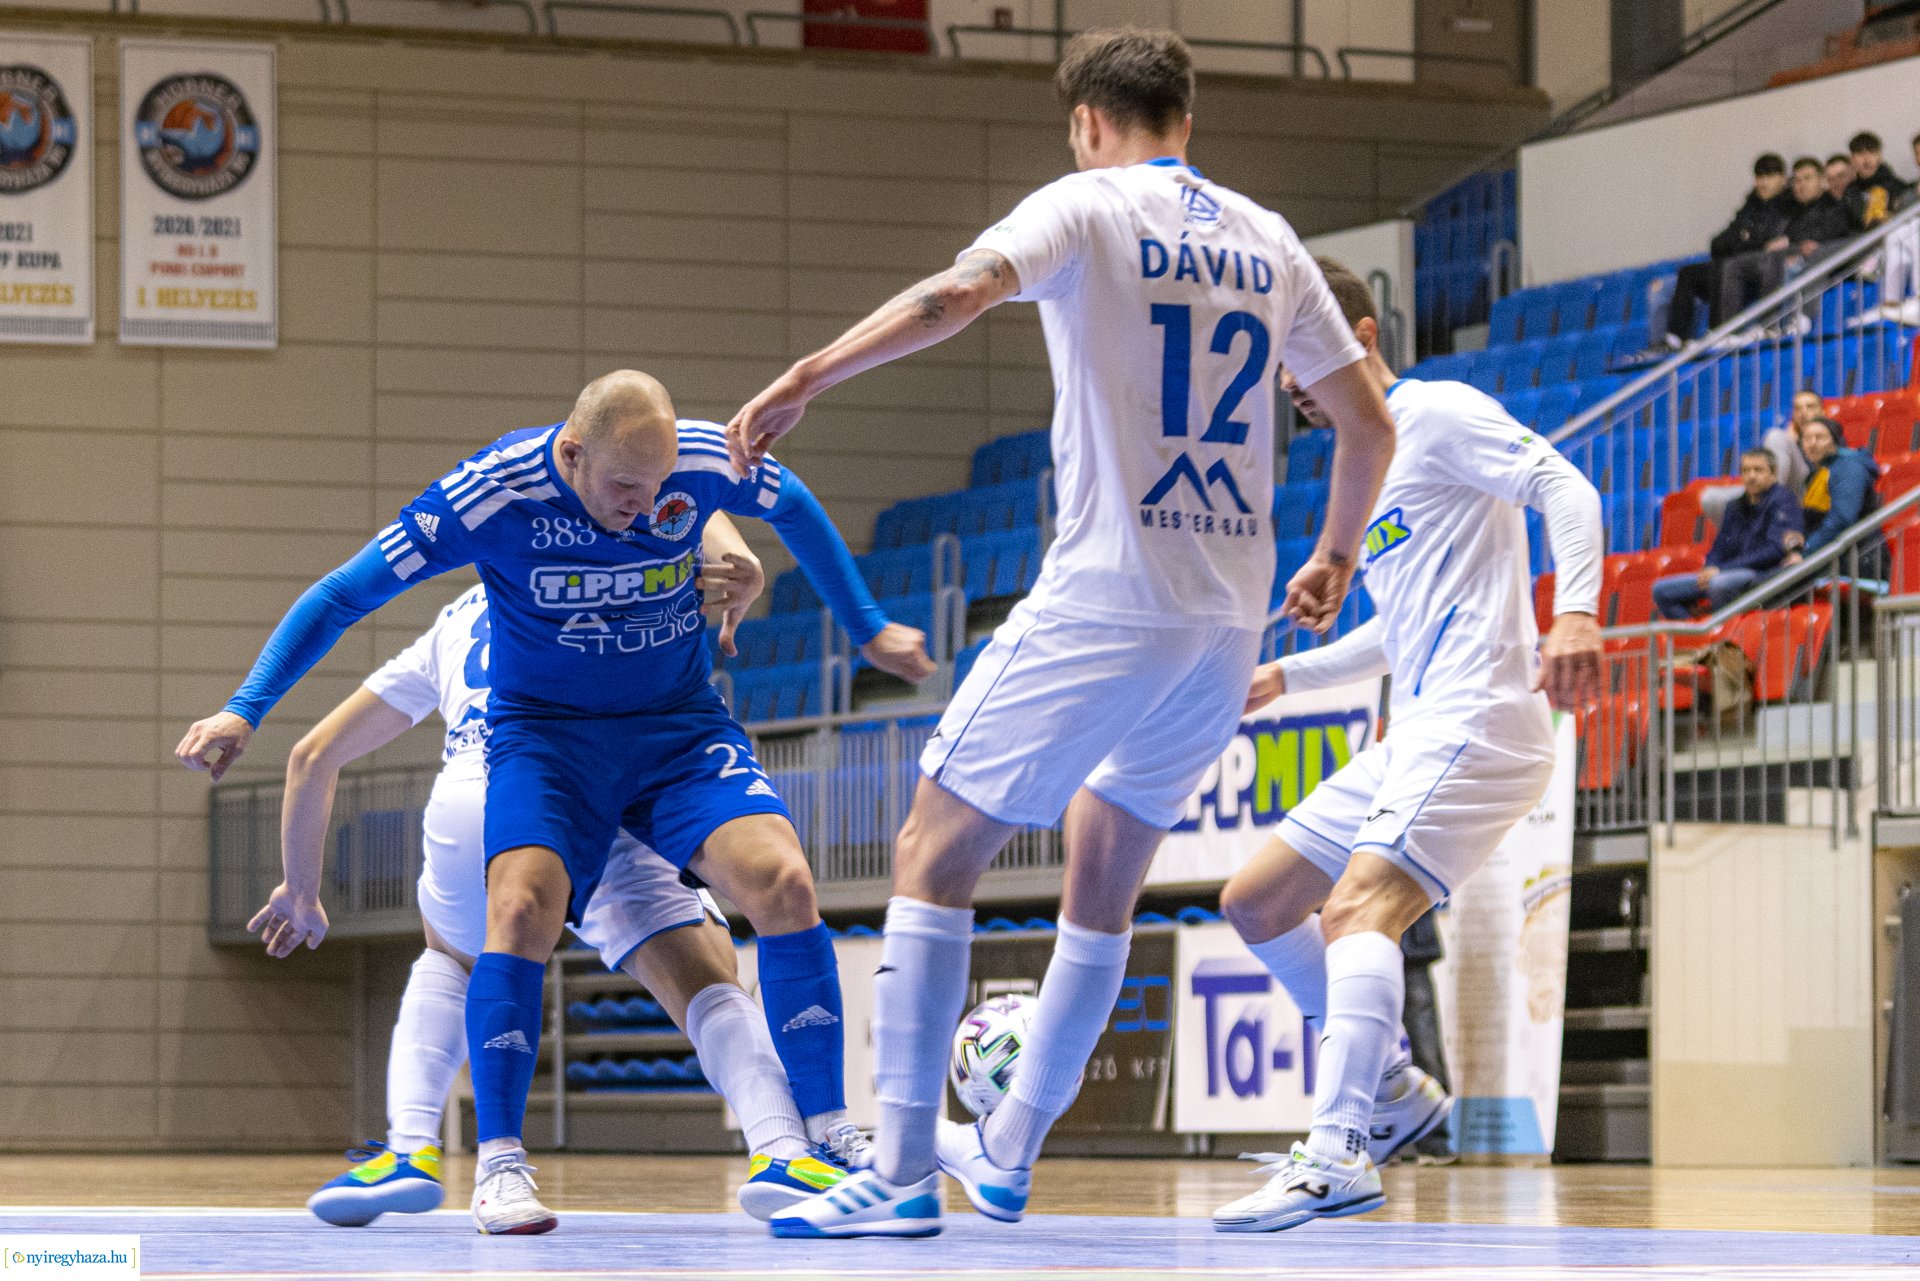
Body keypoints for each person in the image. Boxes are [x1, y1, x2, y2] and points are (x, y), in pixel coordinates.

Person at [727, 29, 1398, 1239]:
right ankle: (1008, 1150)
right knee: (1104, 866)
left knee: (934, 843)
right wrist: (1336, 556)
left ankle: (890, 1174)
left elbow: (954, 295)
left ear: (1087, 121)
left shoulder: (1085, 204)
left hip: (1109, 591)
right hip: (1225, 617)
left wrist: (809, 376)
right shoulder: (1270, 238)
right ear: (1184, 118)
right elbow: (1366, 426)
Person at [175, 376, 936, 1235]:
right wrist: (247, 704)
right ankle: (497, 1164)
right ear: (572, 455)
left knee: (784, 882)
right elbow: (343, 593)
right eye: (624, 490)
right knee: (519, 908)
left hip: (674, 730)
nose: (646, 509)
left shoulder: (692, 458)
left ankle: (828, 1136)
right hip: (548, 740)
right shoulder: (490, 493)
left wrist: (866, 624)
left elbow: (789, 503)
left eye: (659, 492)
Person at [279, 527, 877, 1228]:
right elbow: (715, 488)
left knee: (452, 953)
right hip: (595, 784)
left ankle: (417, 1146)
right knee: (705, 976)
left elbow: (312, 753)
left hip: (478, 791)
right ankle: (782, 1147)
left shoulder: (454, 619)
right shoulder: (615, 574)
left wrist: (300, 887)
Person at [1207, 257, 1603, 1234]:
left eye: (1303, 358)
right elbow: (1402, 629)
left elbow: (1568, 487)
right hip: (1420, 723)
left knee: (1358, 911)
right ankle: (1390, 1091)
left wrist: (1581, 613)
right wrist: (1282, 677)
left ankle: (1340, 1149)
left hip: (1480, 717)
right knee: (1257, 901)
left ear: (1363, 337)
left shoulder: (1437, 414)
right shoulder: (1369, 472)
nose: (1293, 385)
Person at [1656, 154, 1789, 352]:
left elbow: (1766, 244)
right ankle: (1674, 338)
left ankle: (1719, 331)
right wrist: (1744, 241)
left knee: (1727, 267)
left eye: (1769, 176)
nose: (1763, 182)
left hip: (1758, 272)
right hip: (1733, 266)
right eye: (1759, 177)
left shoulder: (1787, 205)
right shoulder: (1750, 206)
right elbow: (1717, 243)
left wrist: (1743, 241)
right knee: (1688, 273)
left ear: (1782, 178)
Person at [1651, 449, 1800, 619]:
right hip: (1728, 572)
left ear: (1773, 474)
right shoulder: (1734, 506)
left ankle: (1724, 636)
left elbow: (1775, 550)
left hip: (1761, 574)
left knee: (1718, 584)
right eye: (1746, 470)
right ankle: (1698, 636)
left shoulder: (1784, 501)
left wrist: (1721, 569)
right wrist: (1709, 568)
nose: (1751, 476)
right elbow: (1719, 546)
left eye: (1758, 470)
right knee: (1661, 590)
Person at [1718, 157, 1852, 321]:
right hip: (1773, 252)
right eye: (1797, 180)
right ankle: (1726, 331)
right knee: (1731, 265)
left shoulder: (1831, 205)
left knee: (1776, 264)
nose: (1801, 185)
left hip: (1802, 255)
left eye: (1807, 178)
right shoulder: (1788, 206)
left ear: (1821, 181)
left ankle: (1769, 326)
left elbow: (1827, 233)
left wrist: (1790, 241)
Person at [1792, 415, 1881, 564]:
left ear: (1835, 441)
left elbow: (1842, 519)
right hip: (1827, 556)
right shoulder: (1816, 474)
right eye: (1807, 438)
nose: (1812, 444)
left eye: (1819, 437)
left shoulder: (1848, 467)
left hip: (1856, 559)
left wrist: (1807, 550)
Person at [1844, 131, 1911, 232]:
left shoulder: (1898, 187)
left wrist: (1893, 218)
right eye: (1860, 153)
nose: (1866, 160)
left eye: (1871, 152)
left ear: (1880, 156)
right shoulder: (1850, 192)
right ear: (1852, 159)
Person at [1760, 388, 1820, 497]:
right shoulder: (1790, 439)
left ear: (1822, 411)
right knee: (1721, 498)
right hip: (1781, 492)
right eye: (1798, 408)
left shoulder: (1831, 436)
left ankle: (1767, 502)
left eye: (1810, 407)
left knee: (1775, 436)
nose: (1803, 412)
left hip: (1809, 496)